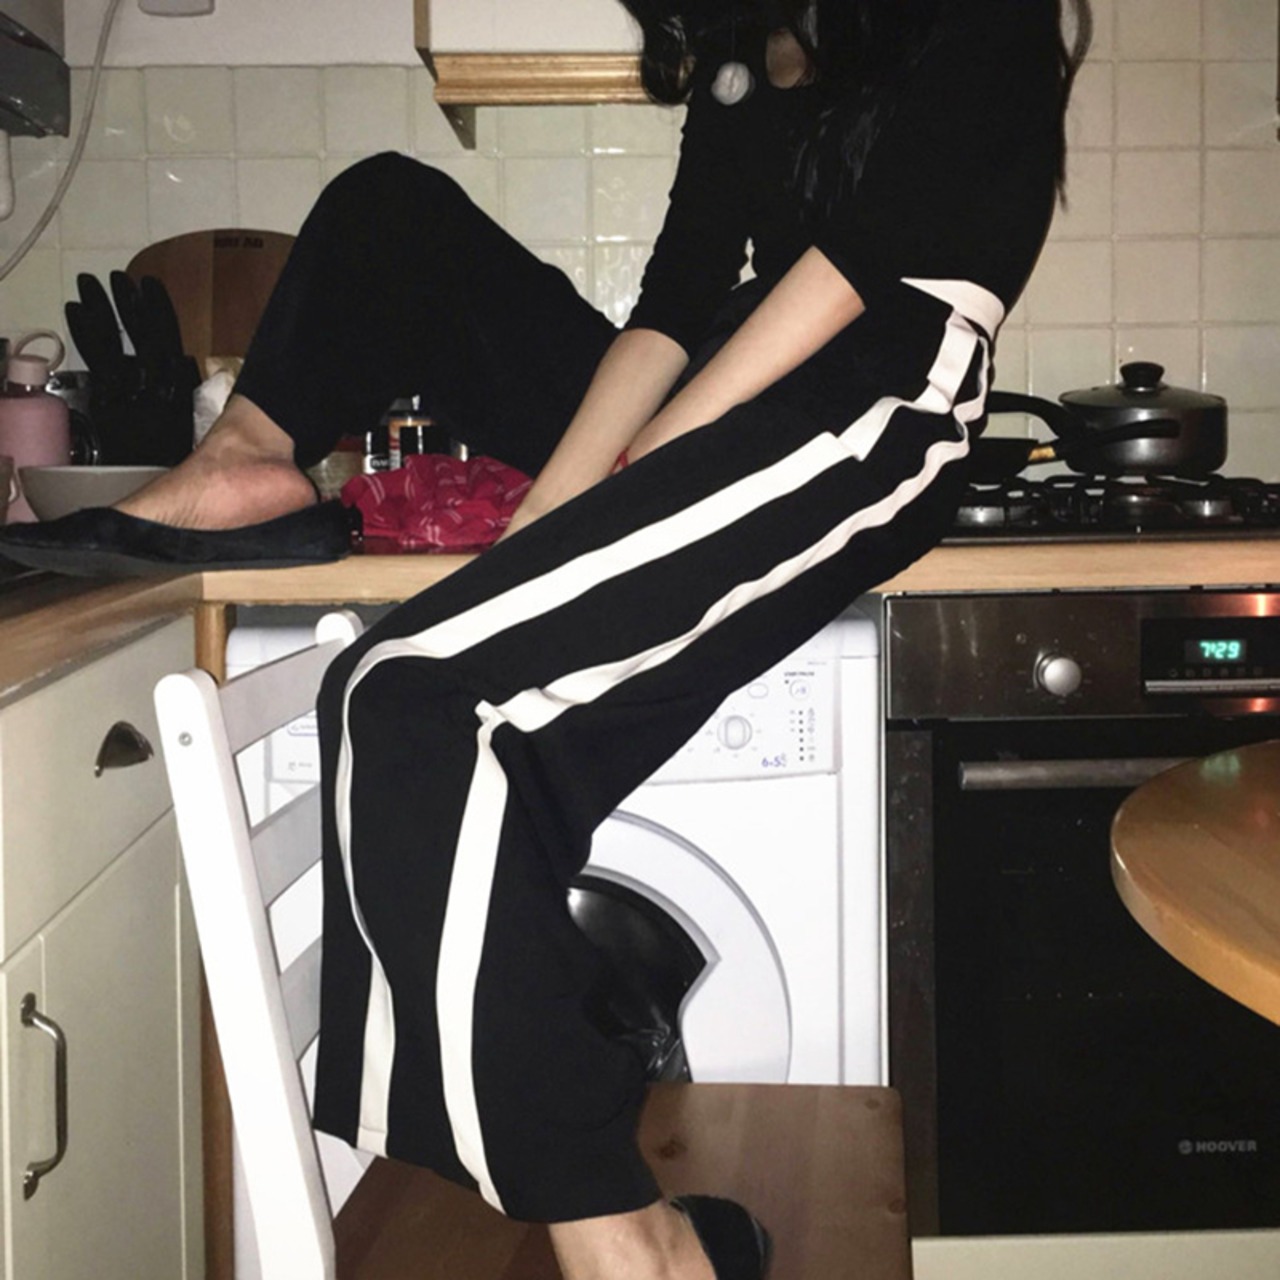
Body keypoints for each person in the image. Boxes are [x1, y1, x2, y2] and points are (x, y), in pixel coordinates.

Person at [1, 2, 1091, 1275]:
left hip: (875, 385)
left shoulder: (972, 15)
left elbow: (853, 271)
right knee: (390, 209)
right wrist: (548, 516)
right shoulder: (741, 53)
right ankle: (243, 462)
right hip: (726, 374)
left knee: (406, 699)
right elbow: (672, 302)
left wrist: (652, 456)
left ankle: (628, 1243)